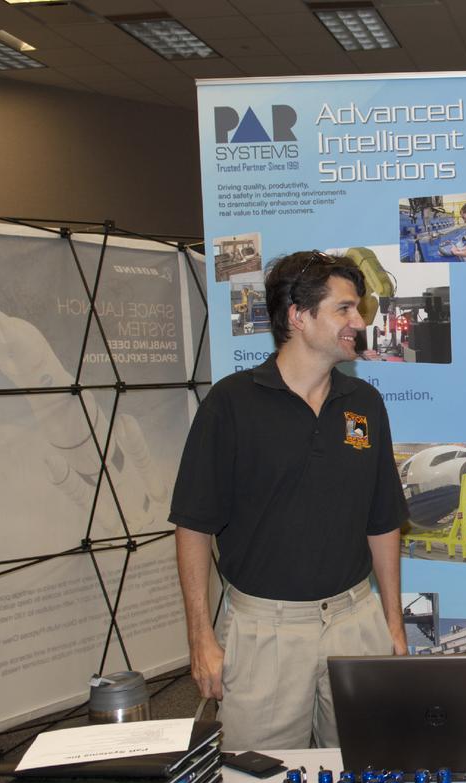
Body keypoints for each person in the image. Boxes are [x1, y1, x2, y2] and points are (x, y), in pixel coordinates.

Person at [170, 250, 408, 750]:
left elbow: (382, 522)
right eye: (344, 309)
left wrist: (392, 625)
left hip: (355, 625)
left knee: (372, 773)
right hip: (266, 633)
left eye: (357, 309)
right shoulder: (231, 405)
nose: (358, 321)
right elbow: (193, 525)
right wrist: (200, 637)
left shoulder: (365, 404)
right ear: (298, 317)